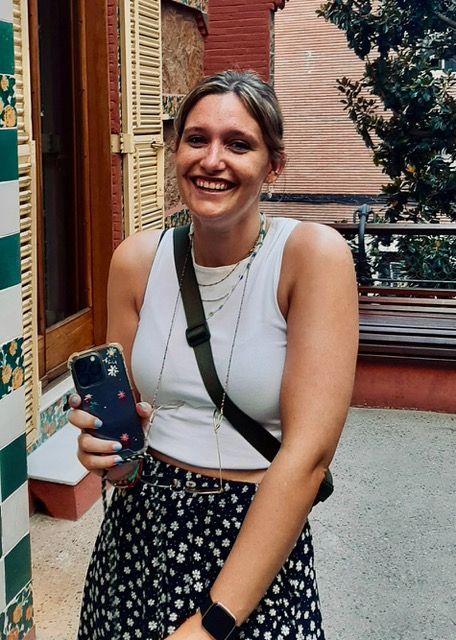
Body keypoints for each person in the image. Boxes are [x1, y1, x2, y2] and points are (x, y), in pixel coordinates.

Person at [69, 69, 358, 640]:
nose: (212, 160)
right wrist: (109, 457)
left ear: (273, 165)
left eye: (238, 144)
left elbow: (308, 457)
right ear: (175, 151)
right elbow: (130, 443)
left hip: (253, 541)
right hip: (137, 538)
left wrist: (213, 622)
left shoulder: (310, 256)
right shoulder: (136, 261)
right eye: (197, 139)